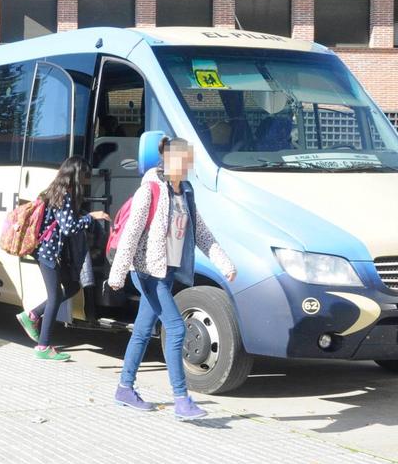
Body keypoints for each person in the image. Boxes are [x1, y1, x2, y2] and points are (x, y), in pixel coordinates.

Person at [108, 136, 237, 420]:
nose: (187, 165)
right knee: (177, 330)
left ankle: (124, 388)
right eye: (183, 159)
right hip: (148, 271)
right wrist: (118, 273)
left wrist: (224, 263)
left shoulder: (186, 192)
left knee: (142, 331)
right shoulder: (150, 191)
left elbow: (201, 233)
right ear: (168, 160)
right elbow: (130, 234)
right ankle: (182, 399)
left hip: (167, 272)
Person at [15, 157, 109, 361]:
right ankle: (43, 346)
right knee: (55, 296)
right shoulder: (63, 195)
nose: (87, 179)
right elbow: (69, 227)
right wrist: (91, 217)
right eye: (84, 174)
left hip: (50, 252)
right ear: (75, 174)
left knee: (74, 285)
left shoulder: (57, 192)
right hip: (48, 253)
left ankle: (31, 315)